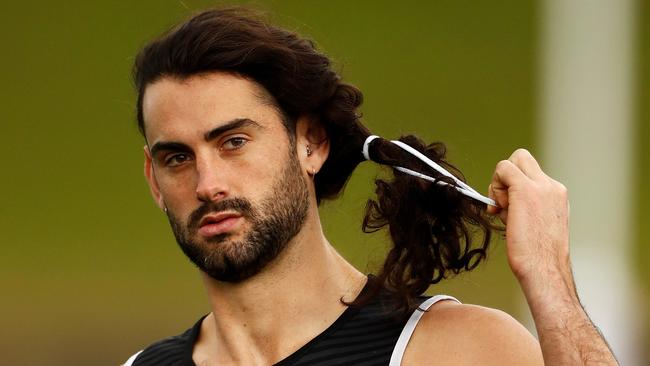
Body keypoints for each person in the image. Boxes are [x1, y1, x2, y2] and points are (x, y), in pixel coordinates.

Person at [124, 7, 618, 366]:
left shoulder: (452, 352)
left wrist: (550, 283)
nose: (208, 183)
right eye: (177, 158)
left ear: (311, 143)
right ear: (154, 180)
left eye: (233, 141)